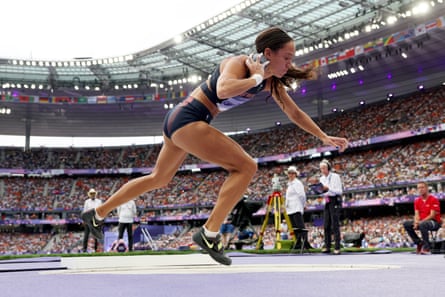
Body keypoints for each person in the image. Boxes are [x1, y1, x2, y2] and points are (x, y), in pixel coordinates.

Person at [81, 26, 349, 265]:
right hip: (189, 118)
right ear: (268, 52)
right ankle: (210, 233)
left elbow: (294, 113)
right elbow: (223, 90)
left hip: (181, 121)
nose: (290, 63)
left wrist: (323, 136)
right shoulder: (239, 63)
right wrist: (256, 78)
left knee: (159, 178)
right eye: (287, 57)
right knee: (246, 166)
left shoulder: (268, 81)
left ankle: (98, 213)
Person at [403, 182, 442, 255]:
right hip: (422, 222)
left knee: (423, 224)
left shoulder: (433, 199)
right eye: (419, 188)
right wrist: (416, 222)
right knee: (406, 224)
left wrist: (420, 222)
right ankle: (419, 243)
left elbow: (432, 215)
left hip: (434, 222)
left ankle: (426, 247)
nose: (420, 189)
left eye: (422, 187)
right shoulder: (417, 201)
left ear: (427, 188)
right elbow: (417, 214)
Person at [319, 159, 343, 255]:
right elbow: (322, 193)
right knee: (326, 225)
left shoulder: (335, 177)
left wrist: (328, 189)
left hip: (335, 200)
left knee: (335, 224)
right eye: (321, 168)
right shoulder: (321, 179)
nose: (322, 170)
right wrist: (320, 191)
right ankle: (327, 246)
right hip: (327, 200)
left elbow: (339, 191)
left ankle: (337, 247)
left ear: (328, 167)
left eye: (324, 168)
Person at [284, 165, 311, 250]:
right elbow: (288, 197)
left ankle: (305, 242)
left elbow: (302, 195)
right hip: (290, 208)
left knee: (300, 226)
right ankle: (298, 242)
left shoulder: (297, 183)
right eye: (289, 173)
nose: (291, 175)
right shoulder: (289, 184)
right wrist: (286, 206)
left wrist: (303, 205)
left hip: (296, 207)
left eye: (292, 173)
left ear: (295, 174)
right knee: (294, 227)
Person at [82, 188, 103, 252]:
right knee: (86, 235)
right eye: (91, 194)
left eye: (93, 193)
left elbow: (100, 211)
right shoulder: (87, 202)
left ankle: (96, 249)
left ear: (95, 194)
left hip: (96, 220)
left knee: (96, 235)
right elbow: (85, 211)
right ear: (89, 194)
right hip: (88, 219)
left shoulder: (99, 201)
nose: (92, 195)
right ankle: (84, 249)